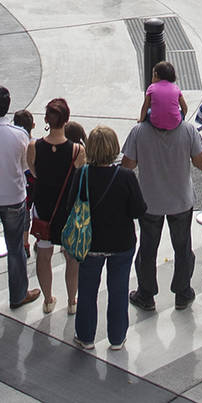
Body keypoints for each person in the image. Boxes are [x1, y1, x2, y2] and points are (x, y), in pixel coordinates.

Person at [123, 67, 202, 312]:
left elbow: (128, 166)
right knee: (183, 248)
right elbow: (201, 163)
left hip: (149, 202)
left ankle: (146, 294)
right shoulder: (187, 130)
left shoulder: (139, 132)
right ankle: (182, 293)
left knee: (148, 249)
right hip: (181, 201)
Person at [71, 126, 147, 351]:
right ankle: (116, 337)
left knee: (87, 290)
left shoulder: (82, 174)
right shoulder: (125, 176)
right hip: (121, 243)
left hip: (90, 243)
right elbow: (138, 210)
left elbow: (71, 207)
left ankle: (85, 336)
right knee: (118, 289)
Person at [22, 98, 82, 315]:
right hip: (67, 209)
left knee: (44, 254)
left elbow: (34, 172)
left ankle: (48, 299)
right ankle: (72, 301)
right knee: (71, 257)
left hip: (44, 207)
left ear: (46, 119)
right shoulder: (76, 150)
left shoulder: (34, 147)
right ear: (67, 119)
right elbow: (79, 179)